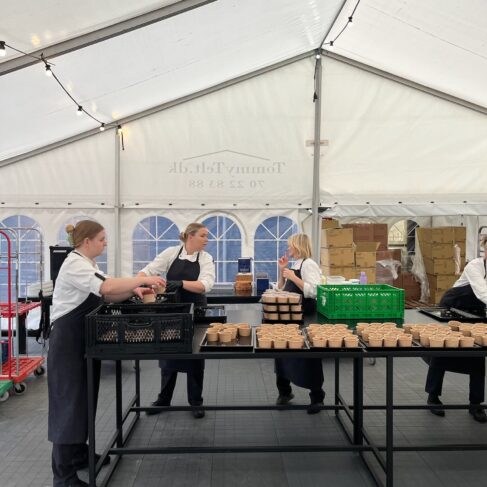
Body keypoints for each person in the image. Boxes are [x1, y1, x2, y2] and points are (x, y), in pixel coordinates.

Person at [48, 221, 165, 487]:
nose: (105, 243)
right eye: (101, 239)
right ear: (86, 241)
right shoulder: (74, 264)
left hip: (84, 339)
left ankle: (79, 455)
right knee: (68, 405)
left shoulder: (89, 265)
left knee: (84, 401)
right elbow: (108, 288)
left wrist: (133, 291)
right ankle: (63, 477)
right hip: (68, 342)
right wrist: (143, 279)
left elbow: (108, 296)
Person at [138, 222, 215, 419]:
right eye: (203, 235)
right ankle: (163, 400)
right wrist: (139, 282)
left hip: (196, 312)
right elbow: (148, 270)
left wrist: (180, 283)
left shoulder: (206, 258)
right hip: (171, 311)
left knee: (195, 357)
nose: (207, 240)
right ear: (190, 236)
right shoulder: (171, 253)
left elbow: (205, 285)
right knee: (168, 353)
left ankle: (195, 402)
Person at [425, 236, 487, 423]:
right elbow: (482, 292)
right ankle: (433, 397)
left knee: (477, 355)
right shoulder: (475, 266)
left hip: (475, 312)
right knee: (442, 350)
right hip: (452, 308)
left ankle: (475, 404)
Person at [274, 233, 325, 414]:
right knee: (282, 354)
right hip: (289, 317)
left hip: (305, 316)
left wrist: (293, 277)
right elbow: (281, 288)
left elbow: (315, 291)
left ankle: (317, 398)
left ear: (298, 246)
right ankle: (285, 392)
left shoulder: (308, 264)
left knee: (309, 357)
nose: (288, 249)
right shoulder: (295, 264)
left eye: (290, 246)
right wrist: (282, 271)